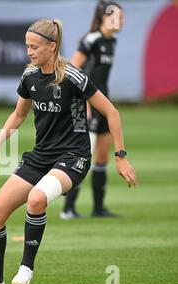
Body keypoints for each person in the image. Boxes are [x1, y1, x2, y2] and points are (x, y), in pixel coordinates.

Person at [0, 18, 137, 284]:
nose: (29, 52)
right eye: (27, 46)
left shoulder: (73, 76)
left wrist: (120, 155)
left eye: (34, 47)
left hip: (74, 157)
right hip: (41, 155)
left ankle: (26, 266)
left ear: (52, 46)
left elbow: (111, 112)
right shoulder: (29, 76)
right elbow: (19, 114)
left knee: (37, 199)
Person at [60, 0, 124, 219]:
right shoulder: (91, 40)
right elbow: (71, 70)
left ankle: (98, 208)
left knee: (102, 157)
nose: (122, 21)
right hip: (87, 105)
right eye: (118, 16)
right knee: (82, 156)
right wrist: (84, 103)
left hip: (102, 103)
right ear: (106, 17)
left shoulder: (112, 41)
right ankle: (68, 209)